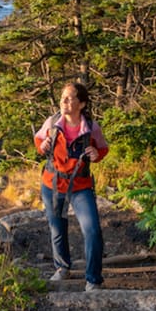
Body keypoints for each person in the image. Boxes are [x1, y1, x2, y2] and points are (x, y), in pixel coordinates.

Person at [34, 82, 109, 291]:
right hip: (53, 183)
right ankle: (62, 267)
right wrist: (42, 146)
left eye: (70, 98)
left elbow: (102, 149)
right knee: (57, 228)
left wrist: (96, 154)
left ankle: (93, 279)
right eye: (63, 98)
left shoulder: (92, 128)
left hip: (80, 185)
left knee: (92, 230)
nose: (64, 102)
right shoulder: (51, 122)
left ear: (82, 103)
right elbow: (38, 141)